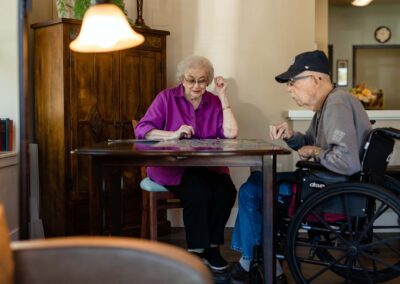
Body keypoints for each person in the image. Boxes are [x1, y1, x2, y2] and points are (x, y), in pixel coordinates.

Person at [230, 50, 372, 284]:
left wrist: (316, 152)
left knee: (252, 190)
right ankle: (253, 261)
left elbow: (346, 161)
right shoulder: (327, 105)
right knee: (257, 182)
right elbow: (310, 144)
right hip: (329, 184)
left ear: (316, 79)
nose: (289, 88)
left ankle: (252, 263)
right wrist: (292, 135)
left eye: (293, 82)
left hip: (330, 191)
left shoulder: (337, 103)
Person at [135, 55, 239, 271]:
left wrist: (223, 96)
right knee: (199, 192)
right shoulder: (166, 98)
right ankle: (196, 252)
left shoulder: (214, 101)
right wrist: (172, 134)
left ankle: (212, 248)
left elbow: (231, 133)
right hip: (171, 166)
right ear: (182, 78)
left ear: (208, 80)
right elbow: (143, 129)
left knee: (226, 191)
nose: (196, 86)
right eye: (191, 80)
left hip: (206, 166)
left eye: (202, 80)